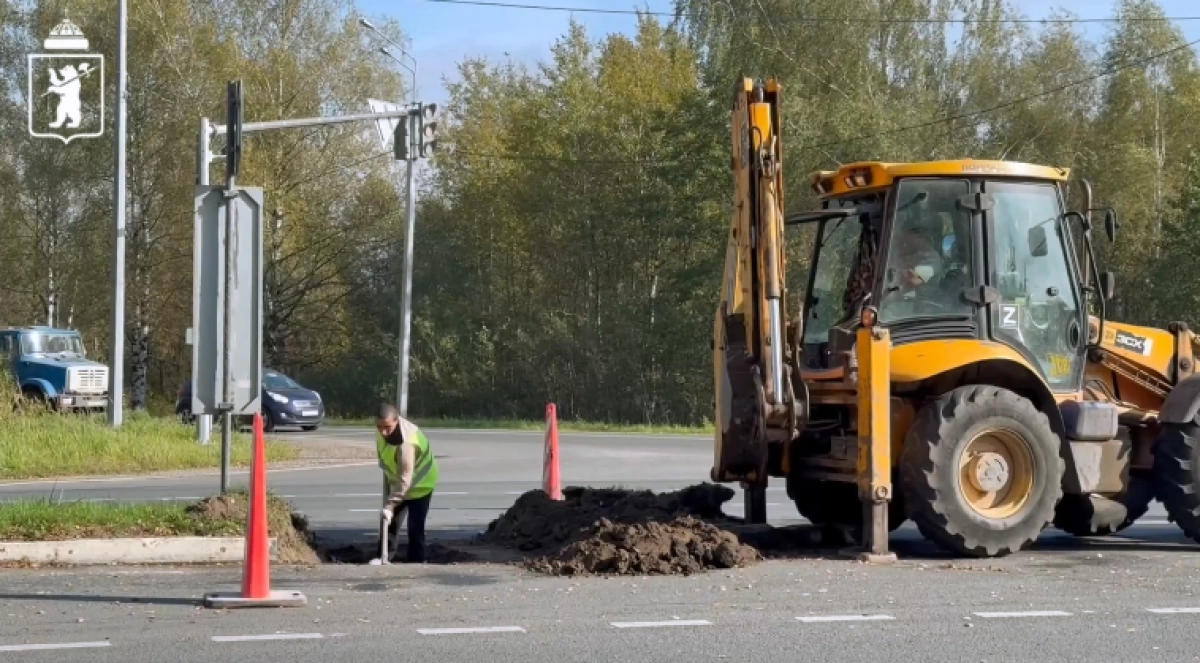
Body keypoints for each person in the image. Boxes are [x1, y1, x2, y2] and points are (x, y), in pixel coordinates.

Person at [374, 403, 439, 563]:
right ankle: (383, 557)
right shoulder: (382, 431)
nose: (383, 432)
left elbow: (405, 479)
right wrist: (389, 502)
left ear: (397, 421)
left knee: (415, 528)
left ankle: (416, 562)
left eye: (387, 427)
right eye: (379, 427)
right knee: (388, 524)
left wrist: (390, 504)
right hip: (399, 486)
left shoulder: (407, 443)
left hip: (421, 486)